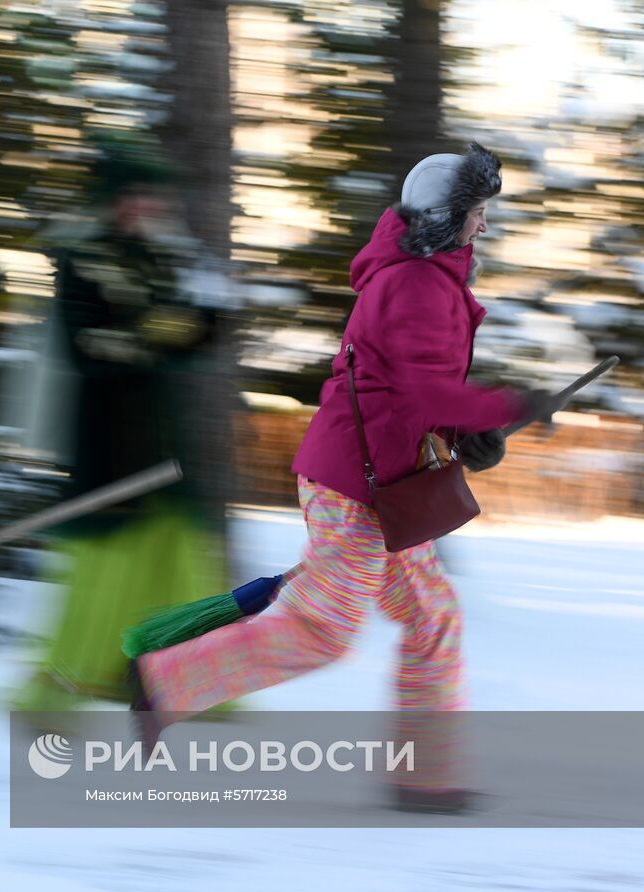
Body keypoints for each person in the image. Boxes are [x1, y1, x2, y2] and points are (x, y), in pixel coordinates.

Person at [129, 143, 555, 812]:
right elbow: (422, 392)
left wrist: (470, 430)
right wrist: (505, 405)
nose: (485, 223)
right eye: (477, 211)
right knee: (321, 631)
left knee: (434, 616)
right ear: (446, 218)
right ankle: (166, 681)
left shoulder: (431, 275)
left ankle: (425, 776)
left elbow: (413, 391)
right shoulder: (413, 282)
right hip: (354, 487)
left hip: (390, 483)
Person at [15, 138, 234, 711]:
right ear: (111, 196)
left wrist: (202, 322)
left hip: (161, 435)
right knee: (102, 570)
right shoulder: (79, 258)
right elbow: (85, 348)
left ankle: (192, 682)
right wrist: (157, 331)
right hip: (107, 441)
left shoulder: (158, 259)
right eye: (133, 193)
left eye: (150, 194)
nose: (144, 205)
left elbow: (181, 341)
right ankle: (63, 688)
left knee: (184, 557)